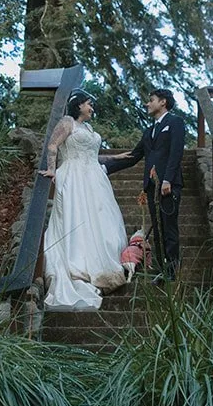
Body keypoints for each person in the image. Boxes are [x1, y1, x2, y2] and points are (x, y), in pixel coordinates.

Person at [40, 91, 129, 311]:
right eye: (89, 104)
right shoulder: (68, 122)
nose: (92, 108)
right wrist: (52, 170)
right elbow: (53, 146)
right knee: (76, 217)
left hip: (94, 178)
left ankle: (103, 268)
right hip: (74, 177)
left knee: (100, 220)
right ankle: (79, 267)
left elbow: (90, 154)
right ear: (79, 105)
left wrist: (115, 158)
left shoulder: (88, 128)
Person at [109, 88, 186, 281]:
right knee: (158, 231)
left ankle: (172, 272)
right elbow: (133, 157)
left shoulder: (175, 123)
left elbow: (176, 152)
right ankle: (162, 269)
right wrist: (103, 166)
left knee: (169, 228)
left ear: (163, 102)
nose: (147, 104)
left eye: (151, 100)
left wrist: (167, 179)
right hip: (151, 188)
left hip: (168, 185)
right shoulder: (148, 131)